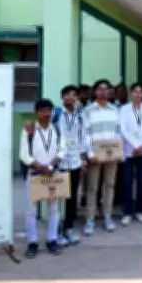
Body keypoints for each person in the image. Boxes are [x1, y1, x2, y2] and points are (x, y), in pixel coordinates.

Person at [19, 99, 65, 258]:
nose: (46, 114)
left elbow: (62, 150)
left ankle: (52, 239)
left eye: (49, 110)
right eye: (43, 110)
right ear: (36, 112)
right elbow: (24, 155)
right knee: (31, 211)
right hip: (35, 174)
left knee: (54, 209)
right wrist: (40, 167)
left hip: (52, 173)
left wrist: (52, 165)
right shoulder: (29, 129)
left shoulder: (57, 128)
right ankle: (32, 242)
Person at [82, 79, 122, 236]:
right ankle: (90, 219)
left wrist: (117, 152)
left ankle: (107, 217)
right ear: (95, 91)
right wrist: (90, 154)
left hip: (111, 154)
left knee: (109, 186)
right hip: (95, 155)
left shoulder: (115, 110)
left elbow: (118, 132)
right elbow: (86, 133)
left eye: (106, 89)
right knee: (92, 188)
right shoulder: (88, 110)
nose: (103, 92)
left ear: (110, 92)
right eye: (100, 89)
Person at [118, 82, 142, 227]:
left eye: (140, 92)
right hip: (129, 151)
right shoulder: (124, 109)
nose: (137, 94)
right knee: (127, 181)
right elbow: (123, 129)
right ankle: (127, 212)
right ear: (131, 93)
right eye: (135, 92)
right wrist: (135, 145)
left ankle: (139, 210)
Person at [57, 85, 87, 246]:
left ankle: (69, 227)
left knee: (72, 196)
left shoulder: (80, 115)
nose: (70, 97)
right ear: (62, 97)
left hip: (75, 161)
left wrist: (83, 158)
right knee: (57, 197)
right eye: (66, 94)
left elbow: (83, 137)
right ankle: (56, 230)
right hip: (59, 161)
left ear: (76, 98)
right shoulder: (55, 113)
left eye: (73, 94)